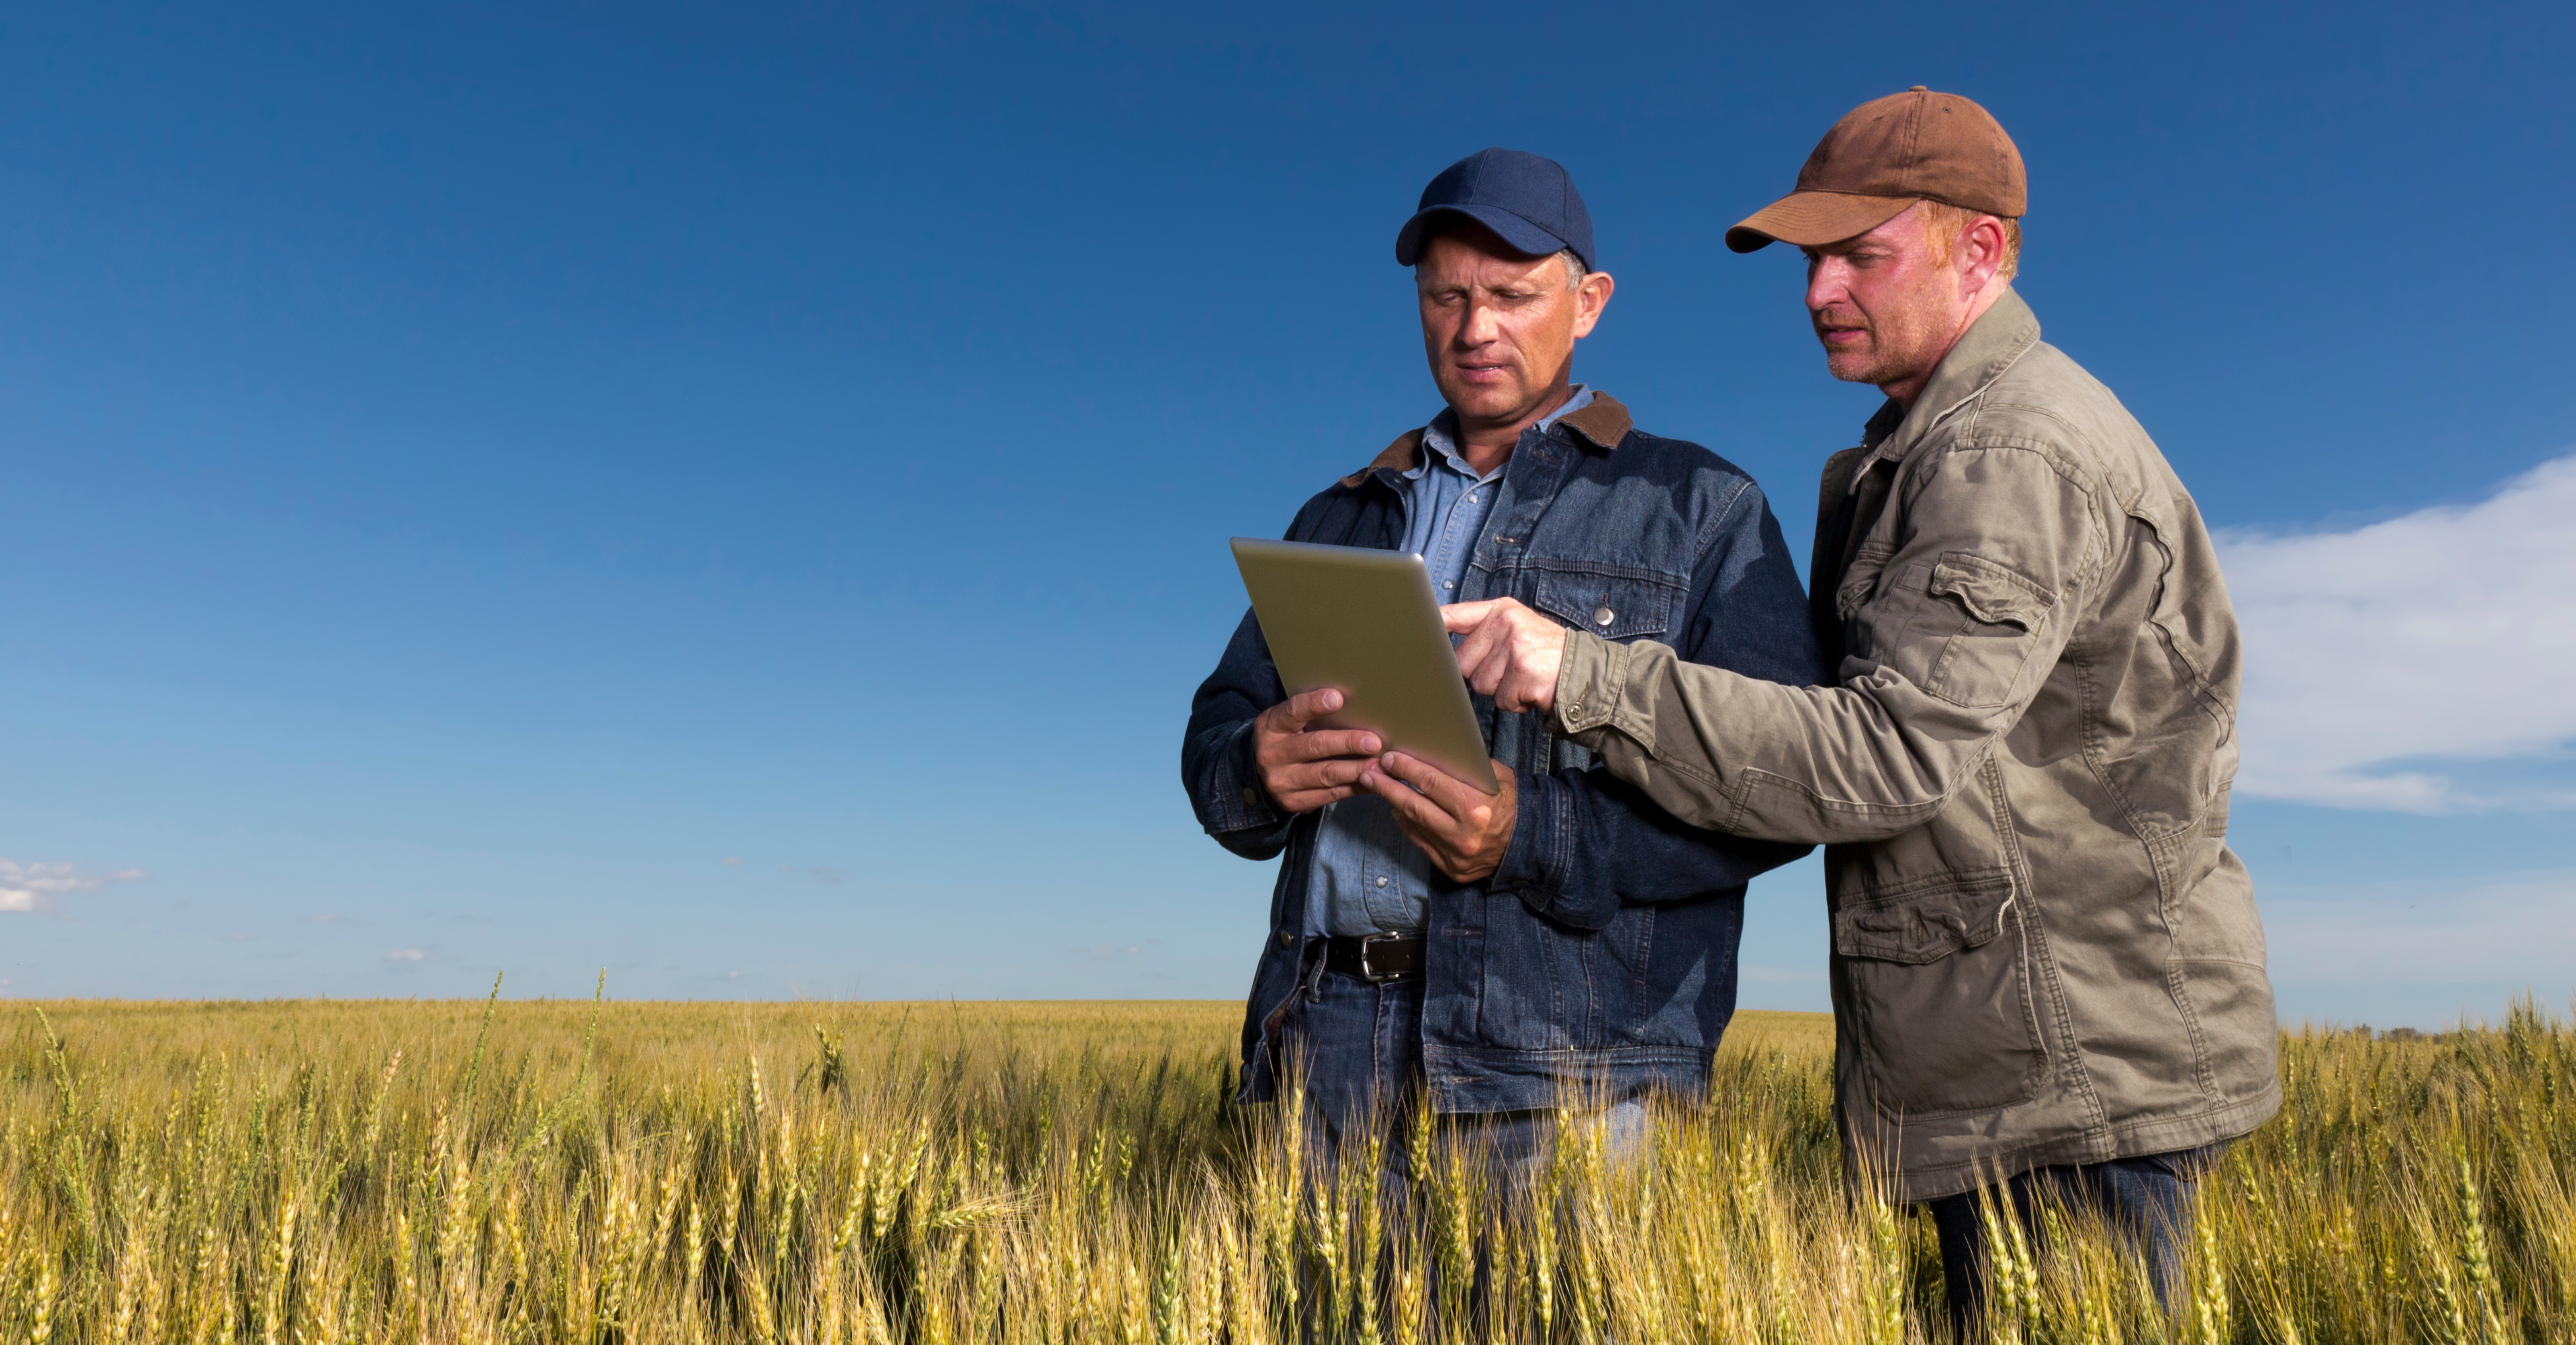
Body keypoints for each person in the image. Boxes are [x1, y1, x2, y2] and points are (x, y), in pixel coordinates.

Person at [1439, 90, 2279, 1326]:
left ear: (1978, 250)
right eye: (1808, 259)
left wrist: (1580, 672)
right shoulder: (1933, 446)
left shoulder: (2009, 454)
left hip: (2071, 1083)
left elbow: (1887, 756)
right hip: (2021, 1063)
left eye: (1859, 256)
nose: (1818, 290)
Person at [1179, 148, 1821, 1190]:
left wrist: (1534, 834)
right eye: (1446, 297)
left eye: (1513, 297)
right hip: (1325, 1038)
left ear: (1589, 304)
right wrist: (1254, 766)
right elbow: (1218, 735)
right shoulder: (1337, 515)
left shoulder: (1701, 507)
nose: (1475, 330)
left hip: (1564, 1065)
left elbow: (1784, 792)